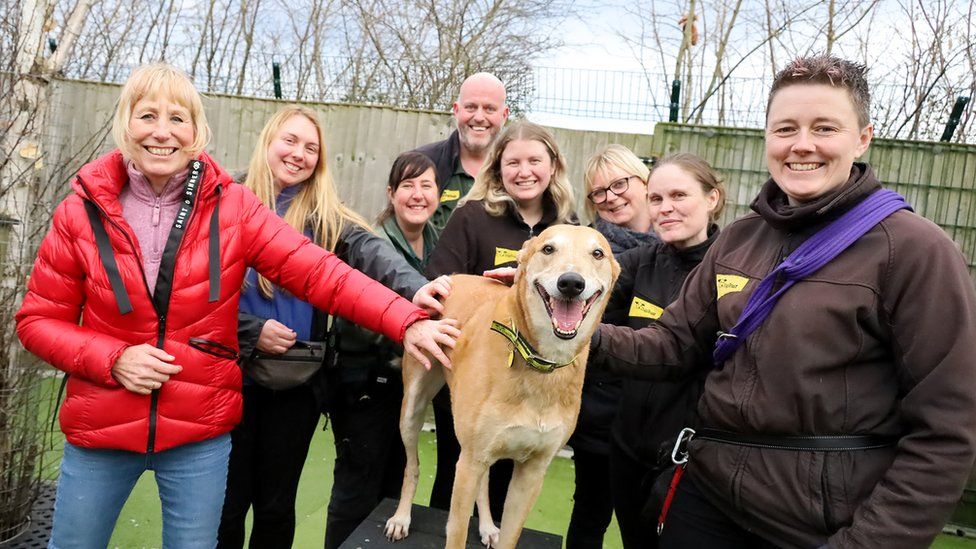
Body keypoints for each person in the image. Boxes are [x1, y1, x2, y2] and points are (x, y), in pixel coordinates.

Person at [15, 64, 458, 549]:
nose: (162, 132)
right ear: (124, 124)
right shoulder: (81, 211)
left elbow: (319, 272)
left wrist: (406, 318)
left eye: (178, 119)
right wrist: (113, 358)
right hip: (100, 427)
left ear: (198, 132)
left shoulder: (231, 206)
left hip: (198, 434)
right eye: (147, 116)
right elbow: (38, 321)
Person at [589, 54, 976, 548]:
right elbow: (672, 345)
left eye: (825, 128)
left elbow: (946, 434)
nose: (802, 145)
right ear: (767, 137)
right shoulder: (740, 240)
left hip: (817, 526)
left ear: (863, 137)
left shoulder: (916, 252)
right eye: (786, 128)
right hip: (705, 498)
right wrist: (563, 332)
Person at [217, 106, 448, 548]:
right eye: (290, 141)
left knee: (276, 504)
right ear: (268, 140)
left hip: (297, 380)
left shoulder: (324, 214)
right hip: (230, 374)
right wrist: (250, 330)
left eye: (311, 148)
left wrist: (418, 289)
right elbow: (190, 293)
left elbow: (374, 256)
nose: (299, 154)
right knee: (227, 504)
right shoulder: (227, 198)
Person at [426, 119, 577, 520]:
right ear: (497, 168)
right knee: (455, 475)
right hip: (471, 381)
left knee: (512, 483)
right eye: (513, 162)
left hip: (536, 390)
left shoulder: (569, 230)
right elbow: (441, 290)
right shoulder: (471, 218)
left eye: (534, 160)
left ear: (553, 165)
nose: (523, 171)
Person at [600, 153, 724, 549]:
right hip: (627, 445)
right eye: (655, 199)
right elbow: (591, 281)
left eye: (678, 195)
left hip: (688, 458)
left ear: (712, 199)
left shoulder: (734, 269)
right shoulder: (643, 260)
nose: (665, 208)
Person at [323, 151, 442, 549]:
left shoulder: (440, 245)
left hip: (408, 385)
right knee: (358, 486)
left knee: (395, 486)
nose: (417, 195)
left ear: (439, 195)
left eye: (426, 185)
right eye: (407, 185)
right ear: (391, 194)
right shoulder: (371, 244)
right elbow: (355, 316)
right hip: (367, 380)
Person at [565, 144, 658, 548]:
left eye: (620, 183)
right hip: (603, 411)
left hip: (659, 417)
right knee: (590, 510)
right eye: (598, 192)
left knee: (647, 522)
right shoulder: (589, 252)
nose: (611, 197)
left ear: (643, 181)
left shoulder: (682, 242)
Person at [414, 72, 509, 229]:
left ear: (504, 115)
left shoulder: (518, 174)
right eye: (471, 107)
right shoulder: (421, 163)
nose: (479, 117)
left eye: (489, 109)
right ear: (457, 110)